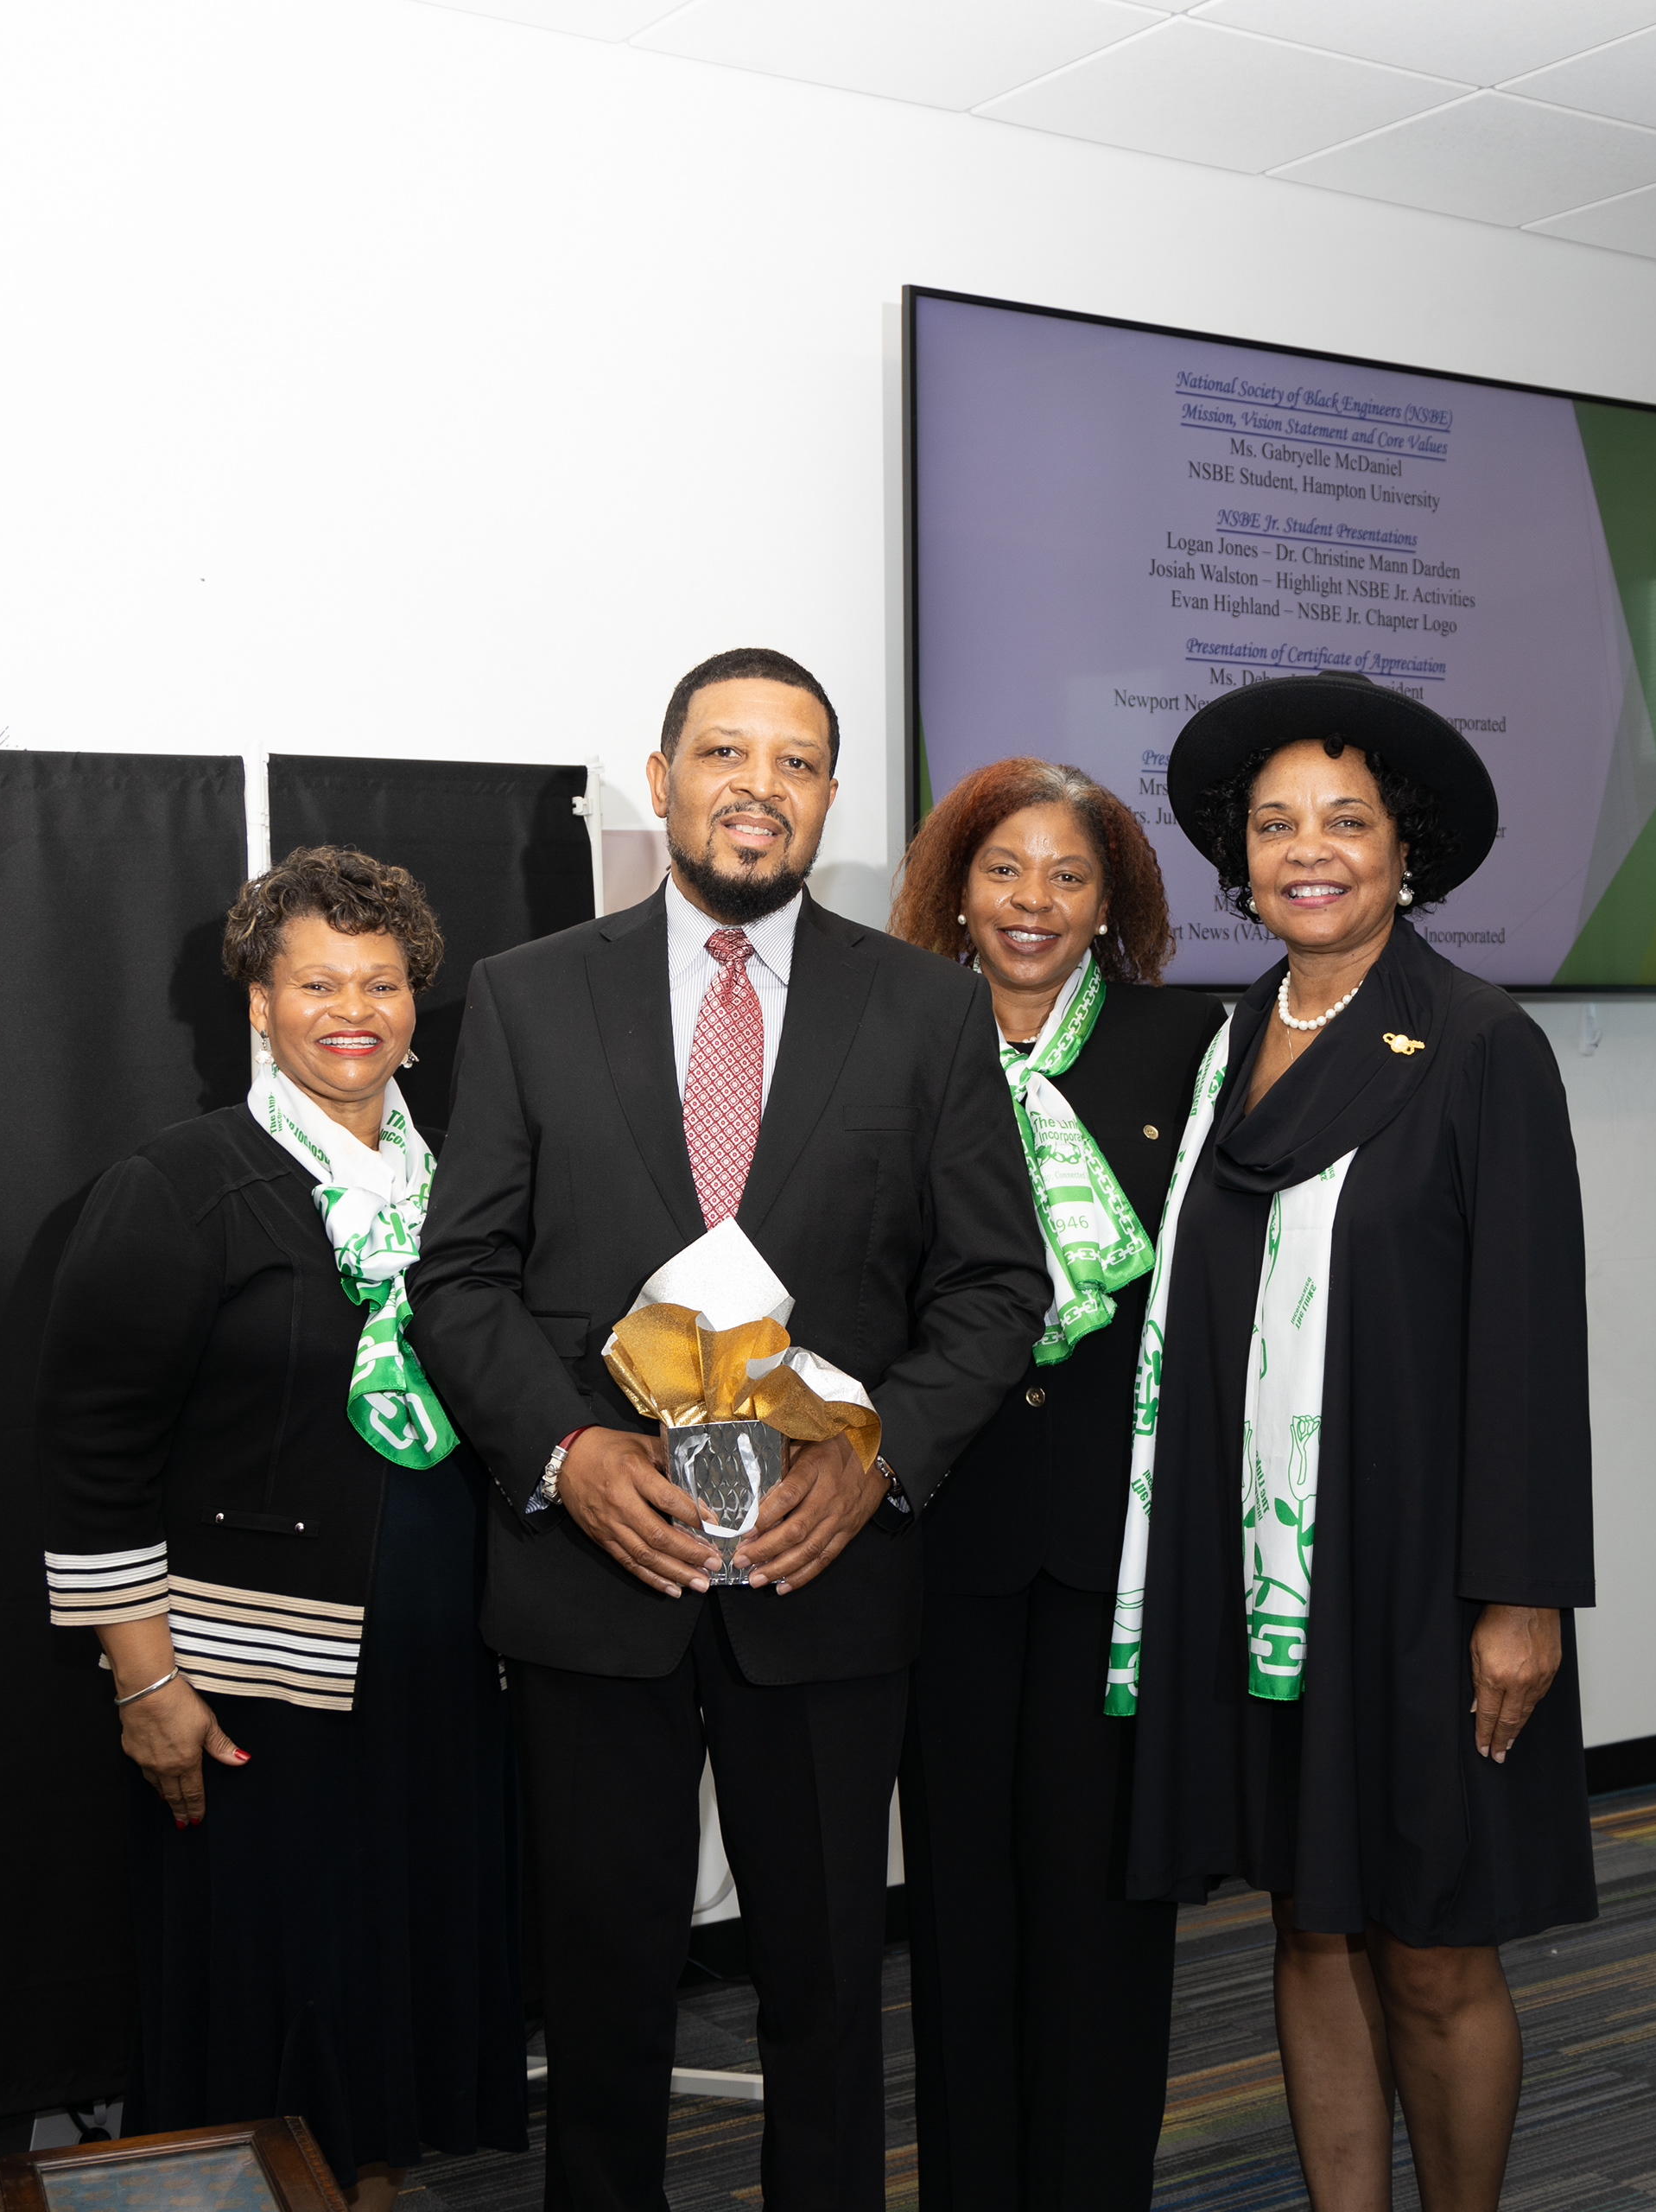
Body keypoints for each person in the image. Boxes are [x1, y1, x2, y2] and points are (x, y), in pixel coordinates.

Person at [409, 646, 1050, 2212]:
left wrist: (876, 1456)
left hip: (821, 1579)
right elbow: (462, 1276)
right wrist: (570, 1454)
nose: (758, 786)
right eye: (725, 753)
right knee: (603, 1988)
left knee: (829, 1988)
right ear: (663, 778)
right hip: (593, 1579)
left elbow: (994, 1286)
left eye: (797, 761)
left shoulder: (927, 1011)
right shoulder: (522, 992)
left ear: (829, 800)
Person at [1114, 671, 1596, 2212]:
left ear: (1406, 850)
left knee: (1436, 1944)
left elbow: (1531, 1336)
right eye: (1274, 826)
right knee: (1310, 1926)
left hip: (1419, 1580)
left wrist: (1521, 1597)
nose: (1306, 851)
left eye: (1345, 820)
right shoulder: (1223, 1040)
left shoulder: (1475, 1042)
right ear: (1238, 859)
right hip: (1269, 1583)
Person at [36, 845, 524, 2207]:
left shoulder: (471, 1192)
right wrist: (145, 1678)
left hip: (443, 1668)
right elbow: (91, 1459)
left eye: (381, 983)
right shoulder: (183, 1185)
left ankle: (369, 2187)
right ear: (257, 1002)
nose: (351, 1009)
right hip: (254, 1687)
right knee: (269, 1986)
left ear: (418, 1005)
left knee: (395, 1976)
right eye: (316, 982)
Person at [881, 760, 1222, 2212]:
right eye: (1004, 870)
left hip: (1117, 1543)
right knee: (957, 1908)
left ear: (1111, 903)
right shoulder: (896, 1038)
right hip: (938, 1534)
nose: (1033, 903)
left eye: (1067, 877)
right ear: (957, 886)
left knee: (1102, 1907)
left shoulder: (1184, 1040)